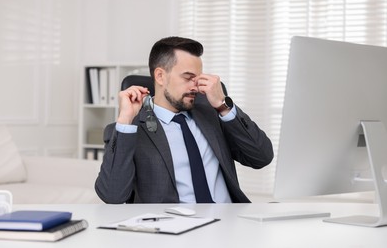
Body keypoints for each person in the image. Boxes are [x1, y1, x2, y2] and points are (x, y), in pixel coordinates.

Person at [95, 36, 274, 203]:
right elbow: (112, 195)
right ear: (160, 76)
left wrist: (222, 105)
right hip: (173, 230)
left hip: (229, 223)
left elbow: (262, 157)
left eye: (198, 79)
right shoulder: (131, 128)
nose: (195, 87)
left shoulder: (212, 113)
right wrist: (125, 121)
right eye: (188, 78)